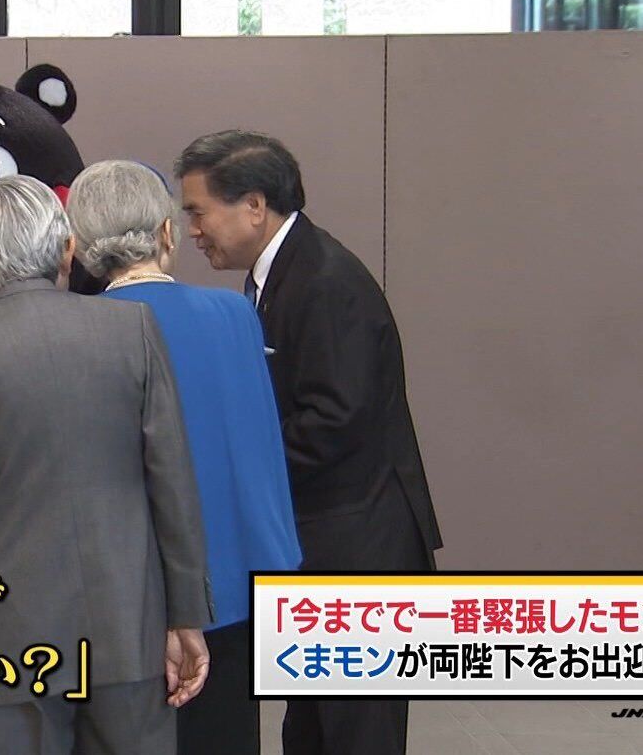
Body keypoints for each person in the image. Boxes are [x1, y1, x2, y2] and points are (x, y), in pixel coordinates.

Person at [0, 174, 214, 755]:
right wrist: (185, 615)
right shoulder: (133, 330)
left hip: (9, 642)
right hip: (130, 624)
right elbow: (173, 485)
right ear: (68, 249)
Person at [175, 131, 444, 755]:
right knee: (312, 729)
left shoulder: (324, 281)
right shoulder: (279, 275)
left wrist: (239, 475)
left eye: (198, 212)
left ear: (254, 205)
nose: (192, 231)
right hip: (320, 541)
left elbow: (335, 420)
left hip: (356, 547)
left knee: (355, 734)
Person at [64, 160, 303, 755]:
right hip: (237, 579)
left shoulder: (78, 332)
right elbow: (258, 451)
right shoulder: (234, 315)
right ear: (166, 232)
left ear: (80, 248)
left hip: (129, 595)